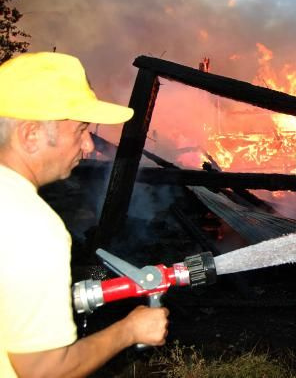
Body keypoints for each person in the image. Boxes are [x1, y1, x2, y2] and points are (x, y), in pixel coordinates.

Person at [0, 52, 169, 378]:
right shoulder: (32, 227)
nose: (89, 146)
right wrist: (131, 330)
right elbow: (44, 371)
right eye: (80, 130)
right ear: (30, 134)